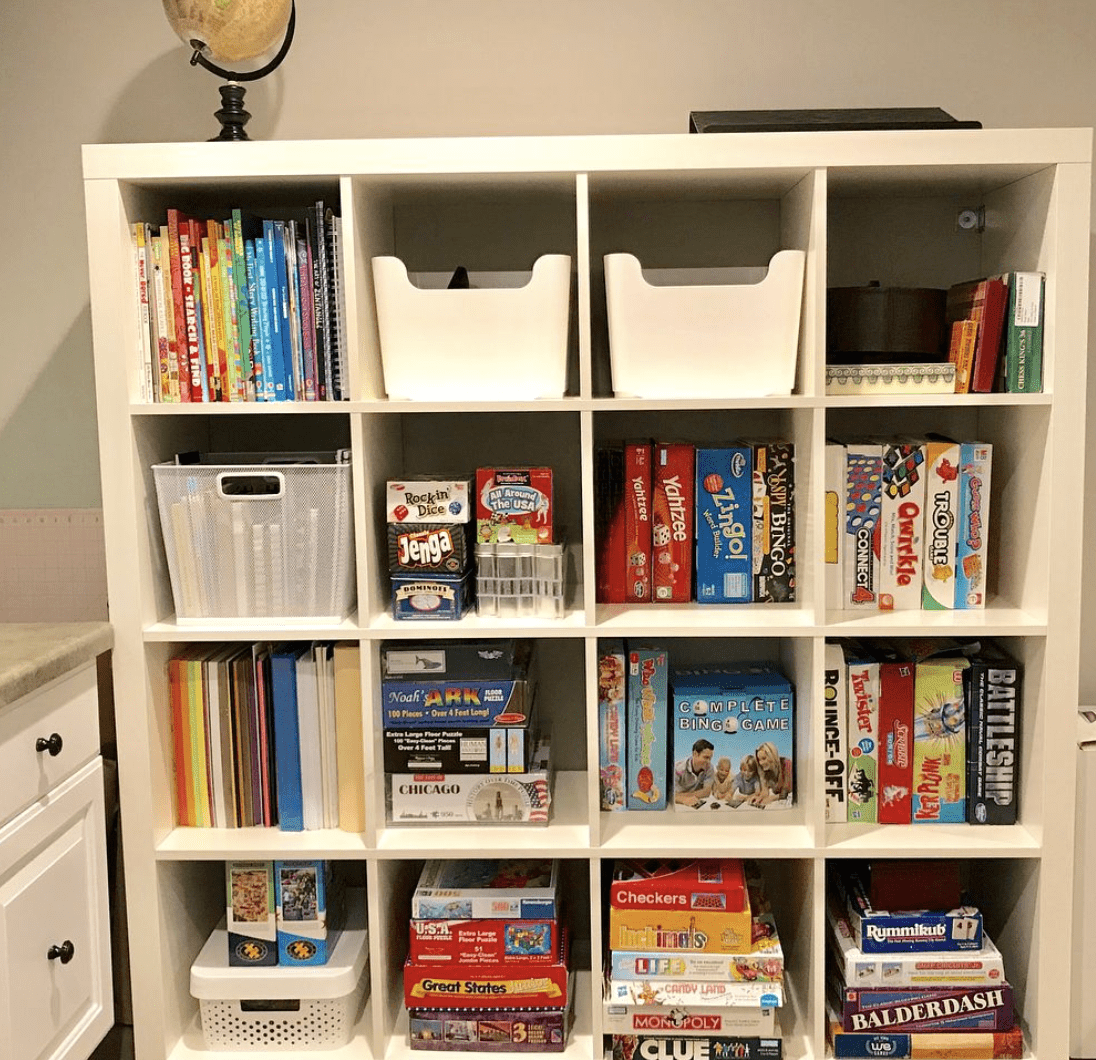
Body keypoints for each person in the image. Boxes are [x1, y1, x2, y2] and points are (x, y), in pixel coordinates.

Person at [749, 740, 792, 807]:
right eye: (759, 760)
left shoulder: (787, 764)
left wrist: (772, 798)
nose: (761, 763)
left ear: (772, 755)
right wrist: (759, 798)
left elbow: (786, 792)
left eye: (764, 758)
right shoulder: (765, 771)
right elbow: (765, 791)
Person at [674, 738, 715, 806]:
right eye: (706, 757)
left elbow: (707, 792)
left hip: (696, 803)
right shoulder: (678, 769)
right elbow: (670, 795)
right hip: (679, 805)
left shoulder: (710, 768)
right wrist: (682, 799)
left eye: (710, 758)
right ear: (695, 754)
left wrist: (680, 796)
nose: (708, 762)